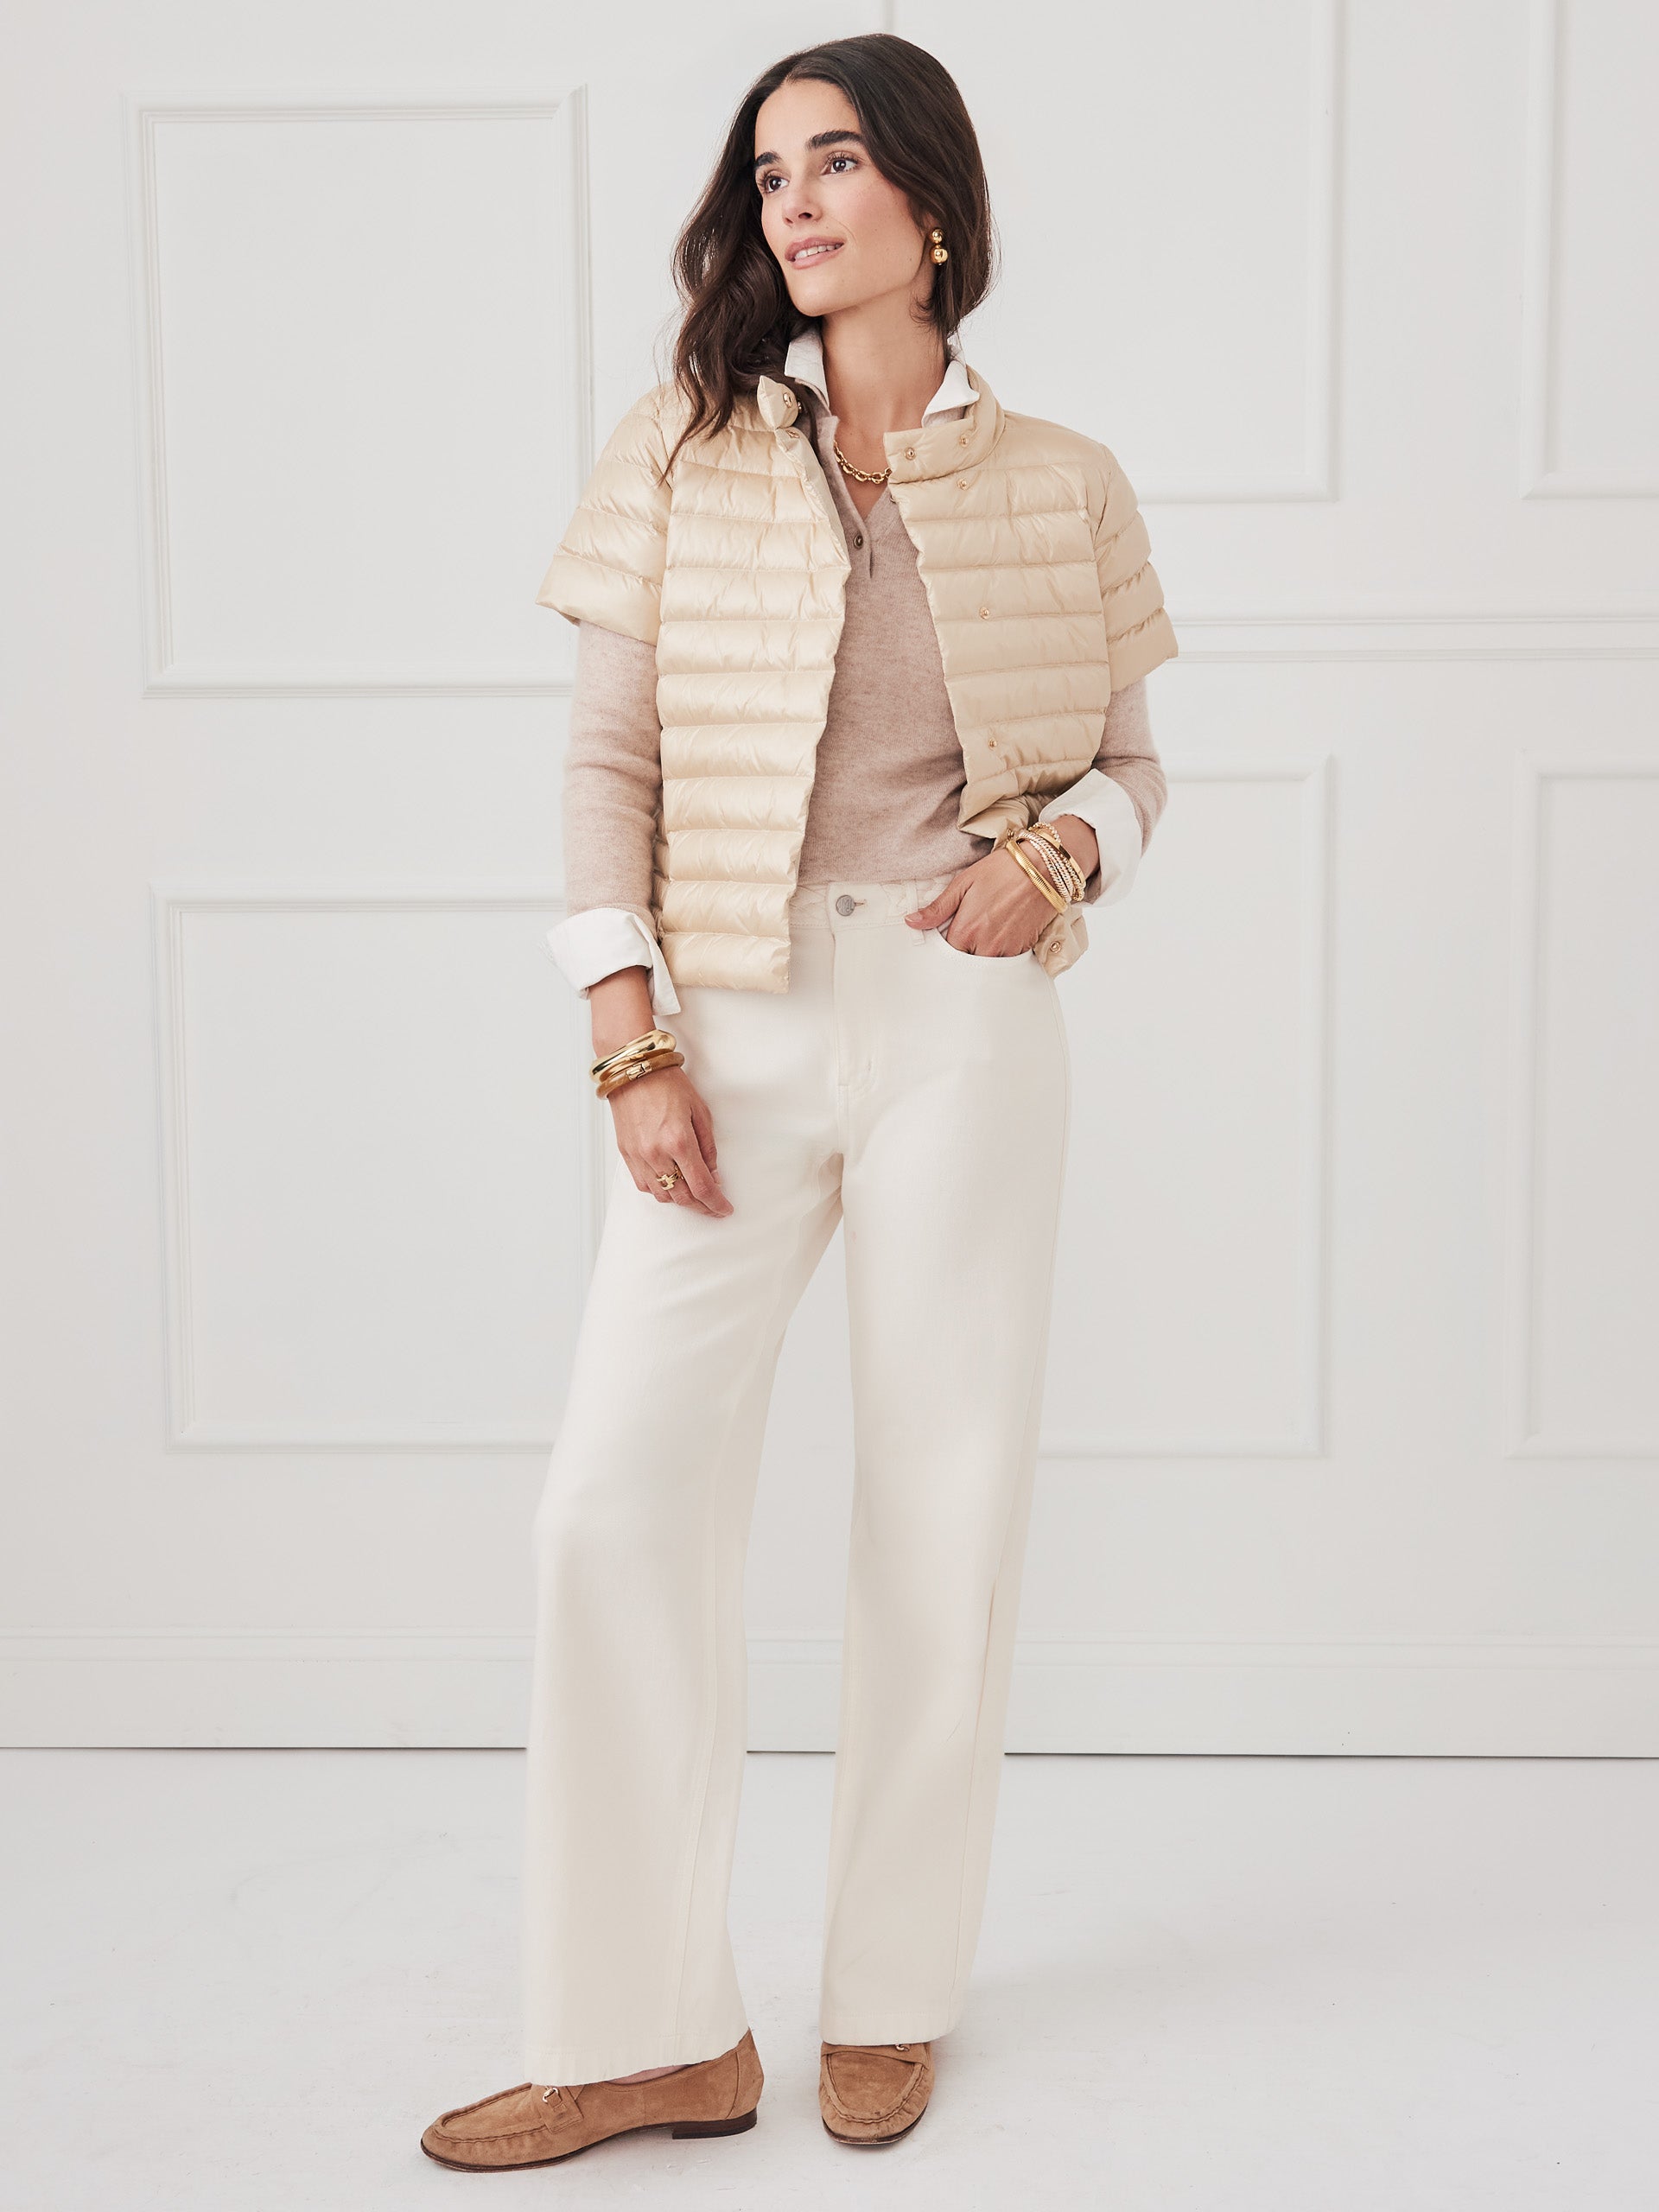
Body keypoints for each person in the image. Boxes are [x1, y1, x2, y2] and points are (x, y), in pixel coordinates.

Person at [420, 29, 1175, 2173]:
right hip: (727, 1024)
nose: (800, 202)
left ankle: (889, 1994)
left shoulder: (1065, 479)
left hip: (959, 1018)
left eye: (838, 162)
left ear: (932, 200)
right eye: (771, 175)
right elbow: (606, 760)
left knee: (943, 1504)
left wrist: (1061, 861)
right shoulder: (682, 448)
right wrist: (629, 1032)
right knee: (613, 1500)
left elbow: (1134, 770)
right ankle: (646, 2031)